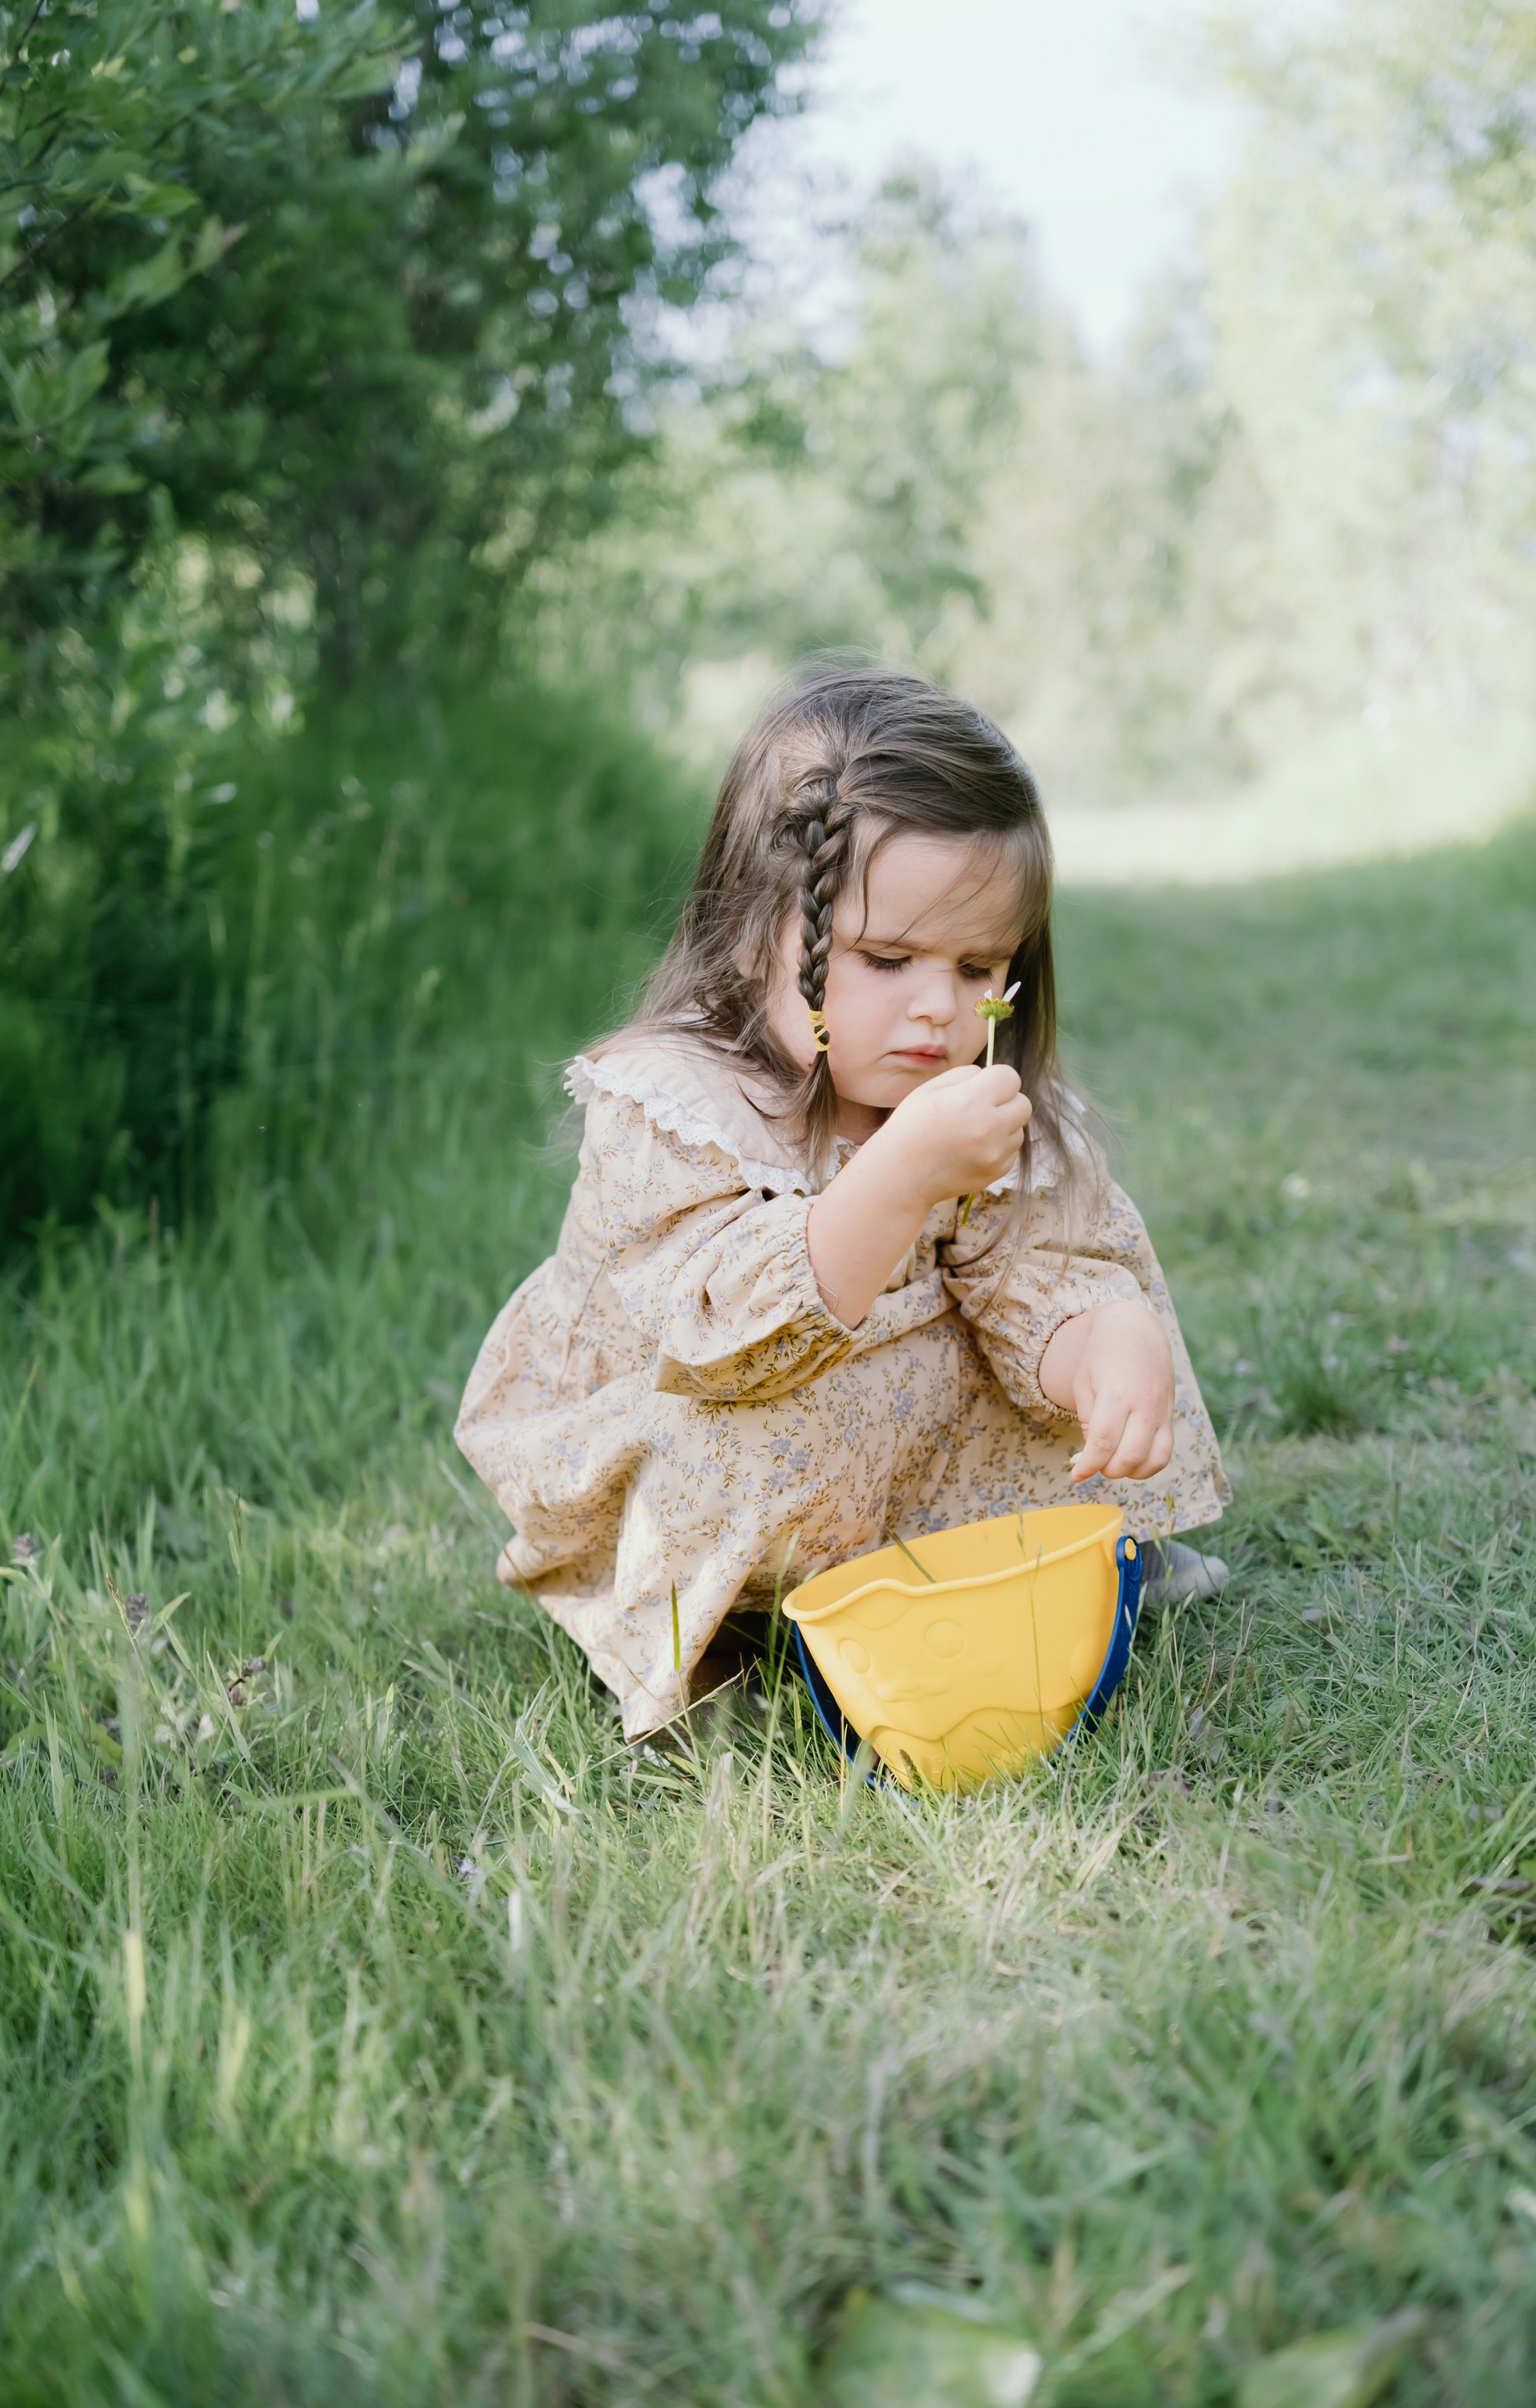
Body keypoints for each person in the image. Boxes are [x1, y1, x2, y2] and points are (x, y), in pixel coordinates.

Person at [456, 669, 1229, 1744]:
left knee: (1094, 1309)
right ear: (752, 936)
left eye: (979, 966)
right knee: (745, 1425)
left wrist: (1098, 1343)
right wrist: (899, 1174)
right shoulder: (682, 1109)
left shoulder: (974, 1100)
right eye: (887, 959)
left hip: (897, 1456)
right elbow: (724, 1343)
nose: (938, 1009)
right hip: (713, 1429)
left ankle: (1082, 1543)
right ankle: (709, 1635)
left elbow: (1027, 1273)